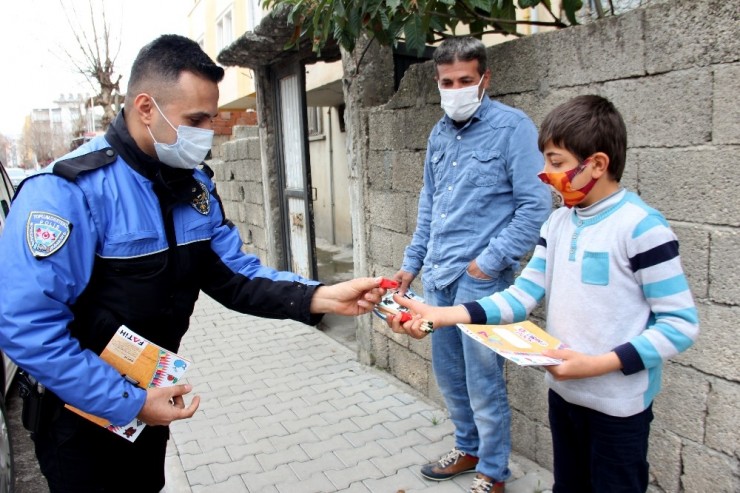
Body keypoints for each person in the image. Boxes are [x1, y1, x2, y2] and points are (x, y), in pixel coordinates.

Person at [0, 34, 385, 493]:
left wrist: (320, 296)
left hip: (150, 398)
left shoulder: (192, 187)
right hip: (82, 421)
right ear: (146, 107)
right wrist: (129, 402)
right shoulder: (67, 192)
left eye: (212, 117)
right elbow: (28, 327)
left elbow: (235, 275)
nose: (207, 132)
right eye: (196, 119)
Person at [389, 95, 700, 493]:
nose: (545, 175)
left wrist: (597, 364)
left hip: (619, 407)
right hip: (565, 393)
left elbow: (680, 324)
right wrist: (440, 314)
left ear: (598, 164)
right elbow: (520, 297)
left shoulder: (641, 227)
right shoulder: (557, 223)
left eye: (556, 163)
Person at [391, 36, 551, 493]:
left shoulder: (513, 128)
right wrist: (411, 264)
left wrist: (488, 263)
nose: (456, 88)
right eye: (447, 81)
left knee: (483, 380)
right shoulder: (438, 133)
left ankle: (494, 472)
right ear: (437, 83)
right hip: (438, 276)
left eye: (466, 80)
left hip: (481, 281)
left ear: (485, 79)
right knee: (450, 374)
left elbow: (535, 206)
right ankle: (468, 447)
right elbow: (430, 205)